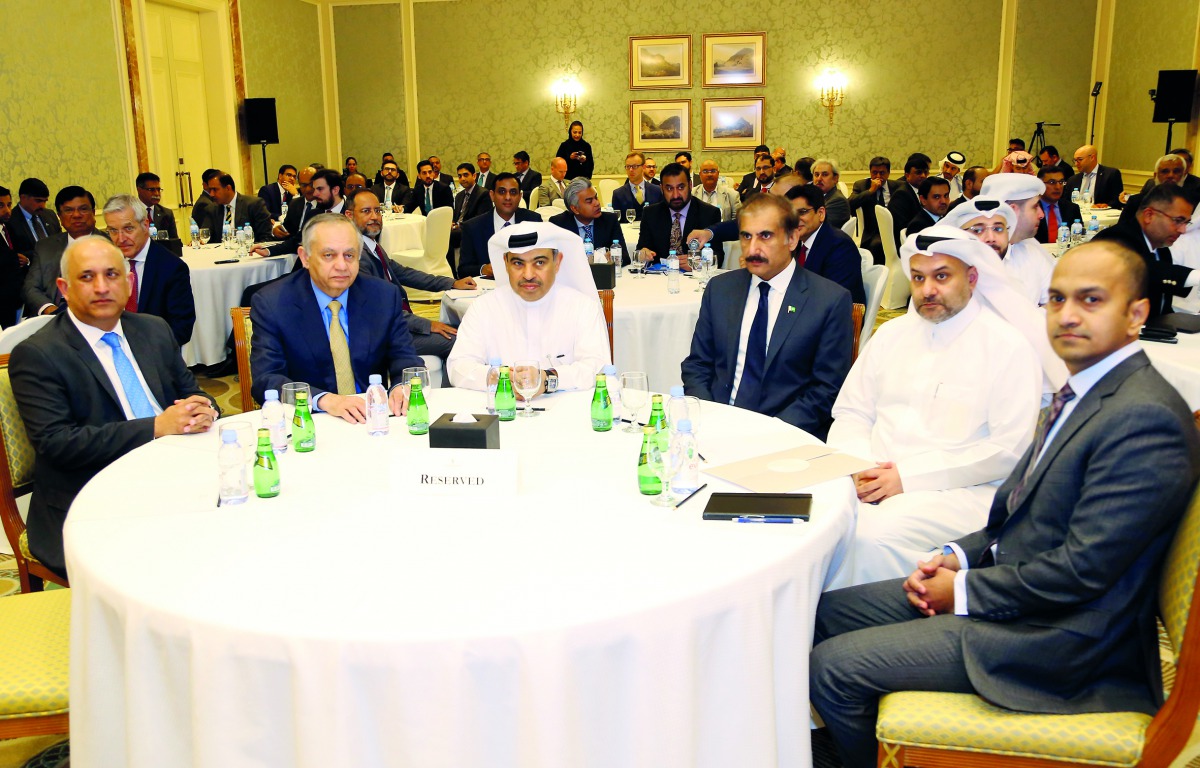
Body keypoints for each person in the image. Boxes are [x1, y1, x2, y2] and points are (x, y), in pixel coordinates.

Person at [810, 240, 1200, 768]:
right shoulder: (1088, 390)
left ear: (1136, 314)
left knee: (831, 667)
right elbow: (1019, 511)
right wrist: (958, 555)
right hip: (1021, 594)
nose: (1066, 316)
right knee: (823, 613)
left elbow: (1084, 572)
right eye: (1057, 299)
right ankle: (847, 736)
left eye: (1090, 300)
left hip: (1061, 640)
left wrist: (964, 589)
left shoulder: (1142, 416)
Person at [825, 226, 1057, 590]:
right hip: (869, 478)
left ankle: (873, 626)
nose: (928, 289)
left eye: (942, 276)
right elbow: (852, 412)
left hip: (960, 490)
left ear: (973, 277)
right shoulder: (891, 336)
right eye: (918, 277)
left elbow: (1007, 450)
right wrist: (859, 466)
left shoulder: (1007, 346)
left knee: (868, 536)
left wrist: (907, 477)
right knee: (812, 518)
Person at [10, 235, 217, 579]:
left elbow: (193, 392)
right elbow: (57, 444)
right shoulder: (38, 354)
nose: (102, 287)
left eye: (112, 275)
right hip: (91, 501)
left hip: (174, 476)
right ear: (63, 287)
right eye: (87, 277)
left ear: (128, 281)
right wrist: (156, 427)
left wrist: (204, 407)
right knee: (180, 563)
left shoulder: (153, 329)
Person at [681, 194, 852, 440]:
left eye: (765, 236)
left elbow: (826, 390)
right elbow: (697, 365)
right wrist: (710, 418)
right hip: (717, 429)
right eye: (746, 236)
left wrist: (768, 434)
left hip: (786, 436)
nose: (753, 249)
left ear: (792, 239)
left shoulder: (828, 301)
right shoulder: (720, 289)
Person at [249, 213, 424, 422]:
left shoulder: (383, 296)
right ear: (305, 257)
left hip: (371, 419)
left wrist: (402, 386)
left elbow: (405, 358)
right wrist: (325, 400)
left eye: (349, 255)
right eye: (329, 255)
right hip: (311, 421)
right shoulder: (273, 303)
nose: (342, 266)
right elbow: (266, 379)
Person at [447, 221, 610, 391]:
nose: (529, 275)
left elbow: (596, 367)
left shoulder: (582, 307)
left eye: (539, 263)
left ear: (557, 262)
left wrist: (547, 379)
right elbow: (458, 366)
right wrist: (497, 378)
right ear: (506, 263)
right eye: (518, 263)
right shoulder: (483, 307)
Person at [347, 189, 475, 360]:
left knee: (462, 328)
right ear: (349, 215)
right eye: (366, 211)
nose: (374, 217)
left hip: (398, 324)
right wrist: (427, 325)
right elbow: (380, 310)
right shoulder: (356, 257)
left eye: (377, 210)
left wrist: (451, 283)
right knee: (459, 341)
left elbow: (405, 273)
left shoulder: (370, 245)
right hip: (385, 336)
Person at [101, 195, 197, 346]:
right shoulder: (104, 263)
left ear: (145, 225)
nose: (120, 238)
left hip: (153, 354)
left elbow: (181, 329)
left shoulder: (171, 267)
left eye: (128, 228)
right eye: (113, 230)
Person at [1092, 183, 1197, 317]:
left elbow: (1162, 302)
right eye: (1177, 220)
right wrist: (1195, 276)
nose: (1183, 230)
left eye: (1186, 222)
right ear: (1149, 215)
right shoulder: (1117, 238)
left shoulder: (1161, 248)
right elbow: (1141, 270)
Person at [22, 186, 105, 318]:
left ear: (93, 213)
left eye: (83, 209)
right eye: (68, 210)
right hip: (53, 319)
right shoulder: (45, 247)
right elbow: (31, 288)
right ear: (60, 216)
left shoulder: (111, 245)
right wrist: (50, 310)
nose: (76, 215)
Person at [981, 173, 1057, 305]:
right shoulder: (974, 256)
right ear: (1012, 211)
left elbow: (1055, 299)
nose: (1041, 215)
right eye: (1035, 206)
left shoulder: (1030, 248)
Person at [783, 184, 866, 304]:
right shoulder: (798, 243)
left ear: (821, 213)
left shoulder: (839, 247)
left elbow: (836, 300)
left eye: (802, 212)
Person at [636, 162, 723, 268]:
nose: (675, 195)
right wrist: (643, 253)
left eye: (681, 187)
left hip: (694, 278)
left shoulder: (709, 213)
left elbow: (718, 255)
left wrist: (698, 264)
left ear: (690, 185)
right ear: (661, 189)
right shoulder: (651, 213)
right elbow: (641, 249)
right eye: (669, 189)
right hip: (659, 278)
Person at [457, 173, 542, 279]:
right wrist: (483, 269)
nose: (507, 197)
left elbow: (544, 260)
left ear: (520, 197)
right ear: (492, 195)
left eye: (513, 192)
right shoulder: (473, 227)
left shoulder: (533, 221)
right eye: (502, 192)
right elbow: (463, 270)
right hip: (489, 288)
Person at [549, 178, 630, 265]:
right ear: (575, 208)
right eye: (589, 201)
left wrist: (615, 257)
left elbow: (625, 257)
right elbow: (551, 260)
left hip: (603, 275)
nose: (597, 203)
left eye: (596, 197)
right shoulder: (558, 224)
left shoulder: (609, 220)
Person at [850, 156, 904, 263]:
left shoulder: (899, 186)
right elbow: (850, 203)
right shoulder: (861, 185)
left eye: (882, 173)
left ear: (888, 173)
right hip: (873, 231)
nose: (878, 176)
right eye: (874, 172)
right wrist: (870, 191)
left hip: (895, 228)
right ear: (870, 172)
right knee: (877, 245)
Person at [1118, 154, 1196, 226]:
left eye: (1176, 171)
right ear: (1155, 175)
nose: (1170, 175)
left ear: (1184, 175)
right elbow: (1119, 232)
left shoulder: (1194, 203)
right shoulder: (1137, 202)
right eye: (1165, 171)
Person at [195, 172, 274, 241]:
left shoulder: (254, 204)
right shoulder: (212, 209)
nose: (211, 194)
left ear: (228, 188)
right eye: (210, 190)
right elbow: (205, 236)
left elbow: (266, 238)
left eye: (215, 190)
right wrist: (200, 241)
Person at [943, 195, 1016, 260]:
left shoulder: (1022, 268)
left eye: (998, 229)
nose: (991, 238)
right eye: (978, 230)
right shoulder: (952, 274)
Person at [9, 178, 62, 261]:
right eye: (38, 201)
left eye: (45, 201)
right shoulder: (10, 221)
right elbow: (15, 255)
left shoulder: (50, 215)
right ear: (23, 198)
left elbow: (60, 244)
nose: (43, 206)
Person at [0, 186, 29, 327]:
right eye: (1, 205)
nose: (7, 210)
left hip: (17, 299)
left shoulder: (8, 227)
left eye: (9, 205)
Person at [1065, 144, 1124, 208]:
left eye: (1080, 159)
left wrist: (1106, 205)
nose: (1076, 164)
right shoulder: (1073, 180)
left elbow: (1117, 200)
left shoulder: (1111, 174)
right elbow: (1066, 201)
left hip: (1102, 215)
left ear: (1092, 157)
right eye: (1075, 160)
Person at [450, 162, 492, 251]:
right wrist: (452, 223)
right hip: (459, 230)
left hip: (473, 230)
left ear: (474, 176)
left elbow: (481, 219)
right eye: (460, 176)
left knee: (447, 235)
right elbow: (456, 217)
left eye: (465, 175)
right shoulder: (459, 196)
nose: (462, 179)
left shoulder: (483, 194)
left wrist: (458, 226)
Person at [887, 157, 930, 244]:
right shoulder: (902, 194)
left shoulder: (922, 191)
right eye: (919, 172)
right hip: (907, 242)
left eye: (925, 172)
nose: (923, 176)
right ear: (907, 175)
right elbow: (903, 227)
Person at [1034, 164, 1081, 243]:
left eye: (1061, 182)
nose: (1058, 187)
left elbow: (1078, 238)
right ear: (1040, 184)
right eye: (1052, 182)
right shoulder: (1032, 209)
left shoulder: (1072, 208)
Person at [611, 152, 663, 220]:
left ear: (643, 167)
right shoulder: (618, 194)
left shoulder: (657, 191)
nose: (631, 170)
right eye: (628, 166)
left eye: (635, 166)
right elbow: (616, 221)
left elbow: (662, 217)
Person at [136, 172, 179, 239]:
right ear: (139, 190)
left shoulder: (166, 213)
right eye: (152, 190)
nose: (157, 193)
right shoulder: (130, 212)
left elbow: (174, 242)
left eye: (158, 190)